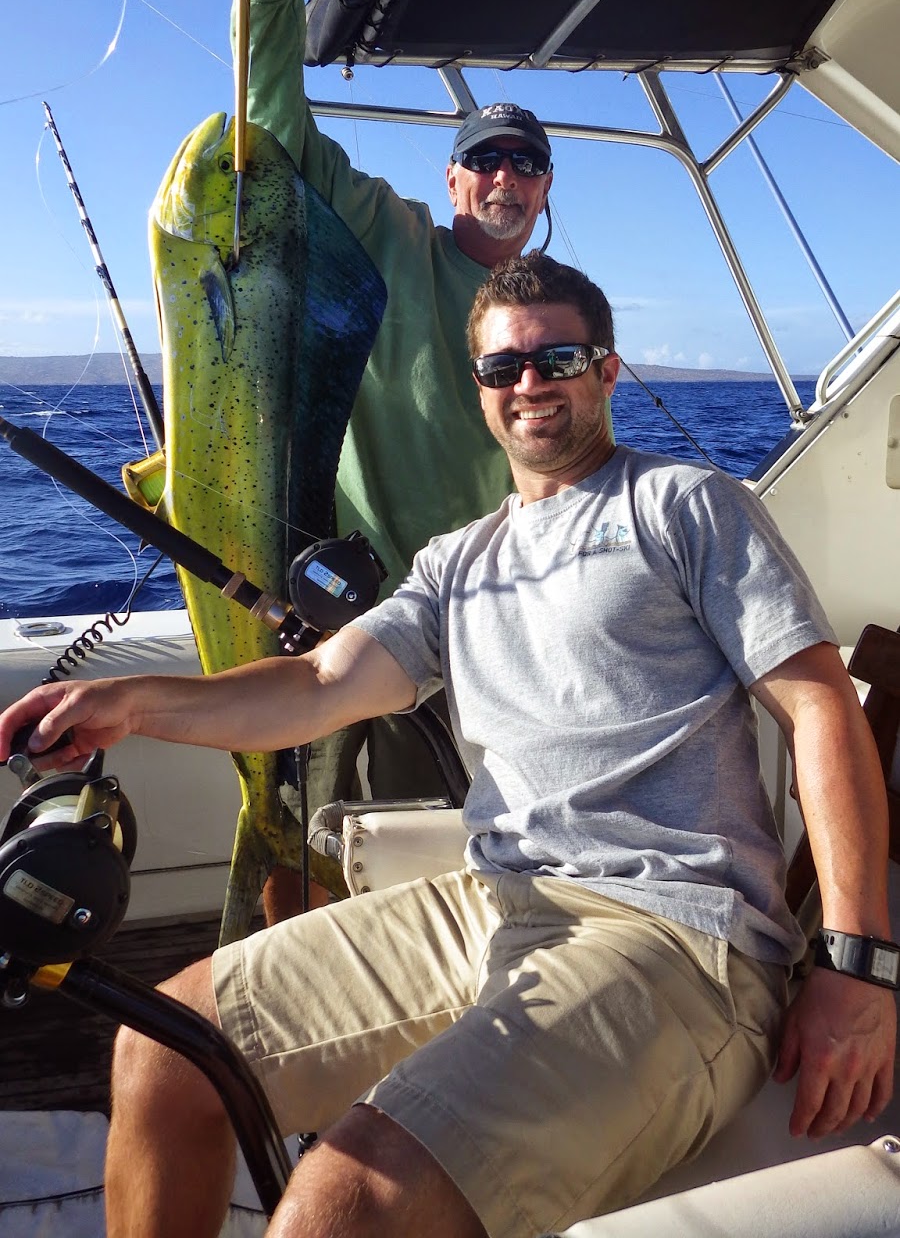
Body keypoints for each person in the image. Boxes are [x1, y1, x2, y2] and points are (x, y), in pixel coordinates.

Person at [2, 252, 894, 1238]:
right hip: (494, 902)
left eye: (558, 356)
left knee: (343, 1202)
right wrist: (132, 701)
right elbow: (320, 684)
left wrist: (859, 966)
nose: (530, 383)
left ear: (607, 368)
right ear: (477, 389)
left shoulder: (686, 505)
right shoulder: (455, 562)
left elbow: (822, 712)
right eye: (502, 368)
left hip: (674, 935)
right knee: (167, 1051)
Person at [212, 0, 557, 871]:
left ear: (543, 188)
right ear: (452, 179)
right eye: (482, 158)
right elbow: (275, 127)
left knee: (425, 847)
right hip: (342, 600)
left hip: (484, 622)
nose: (502, 176)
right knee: (303, 832)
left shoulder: (561, 309)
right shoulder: (388, 233)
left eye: (523, 162)